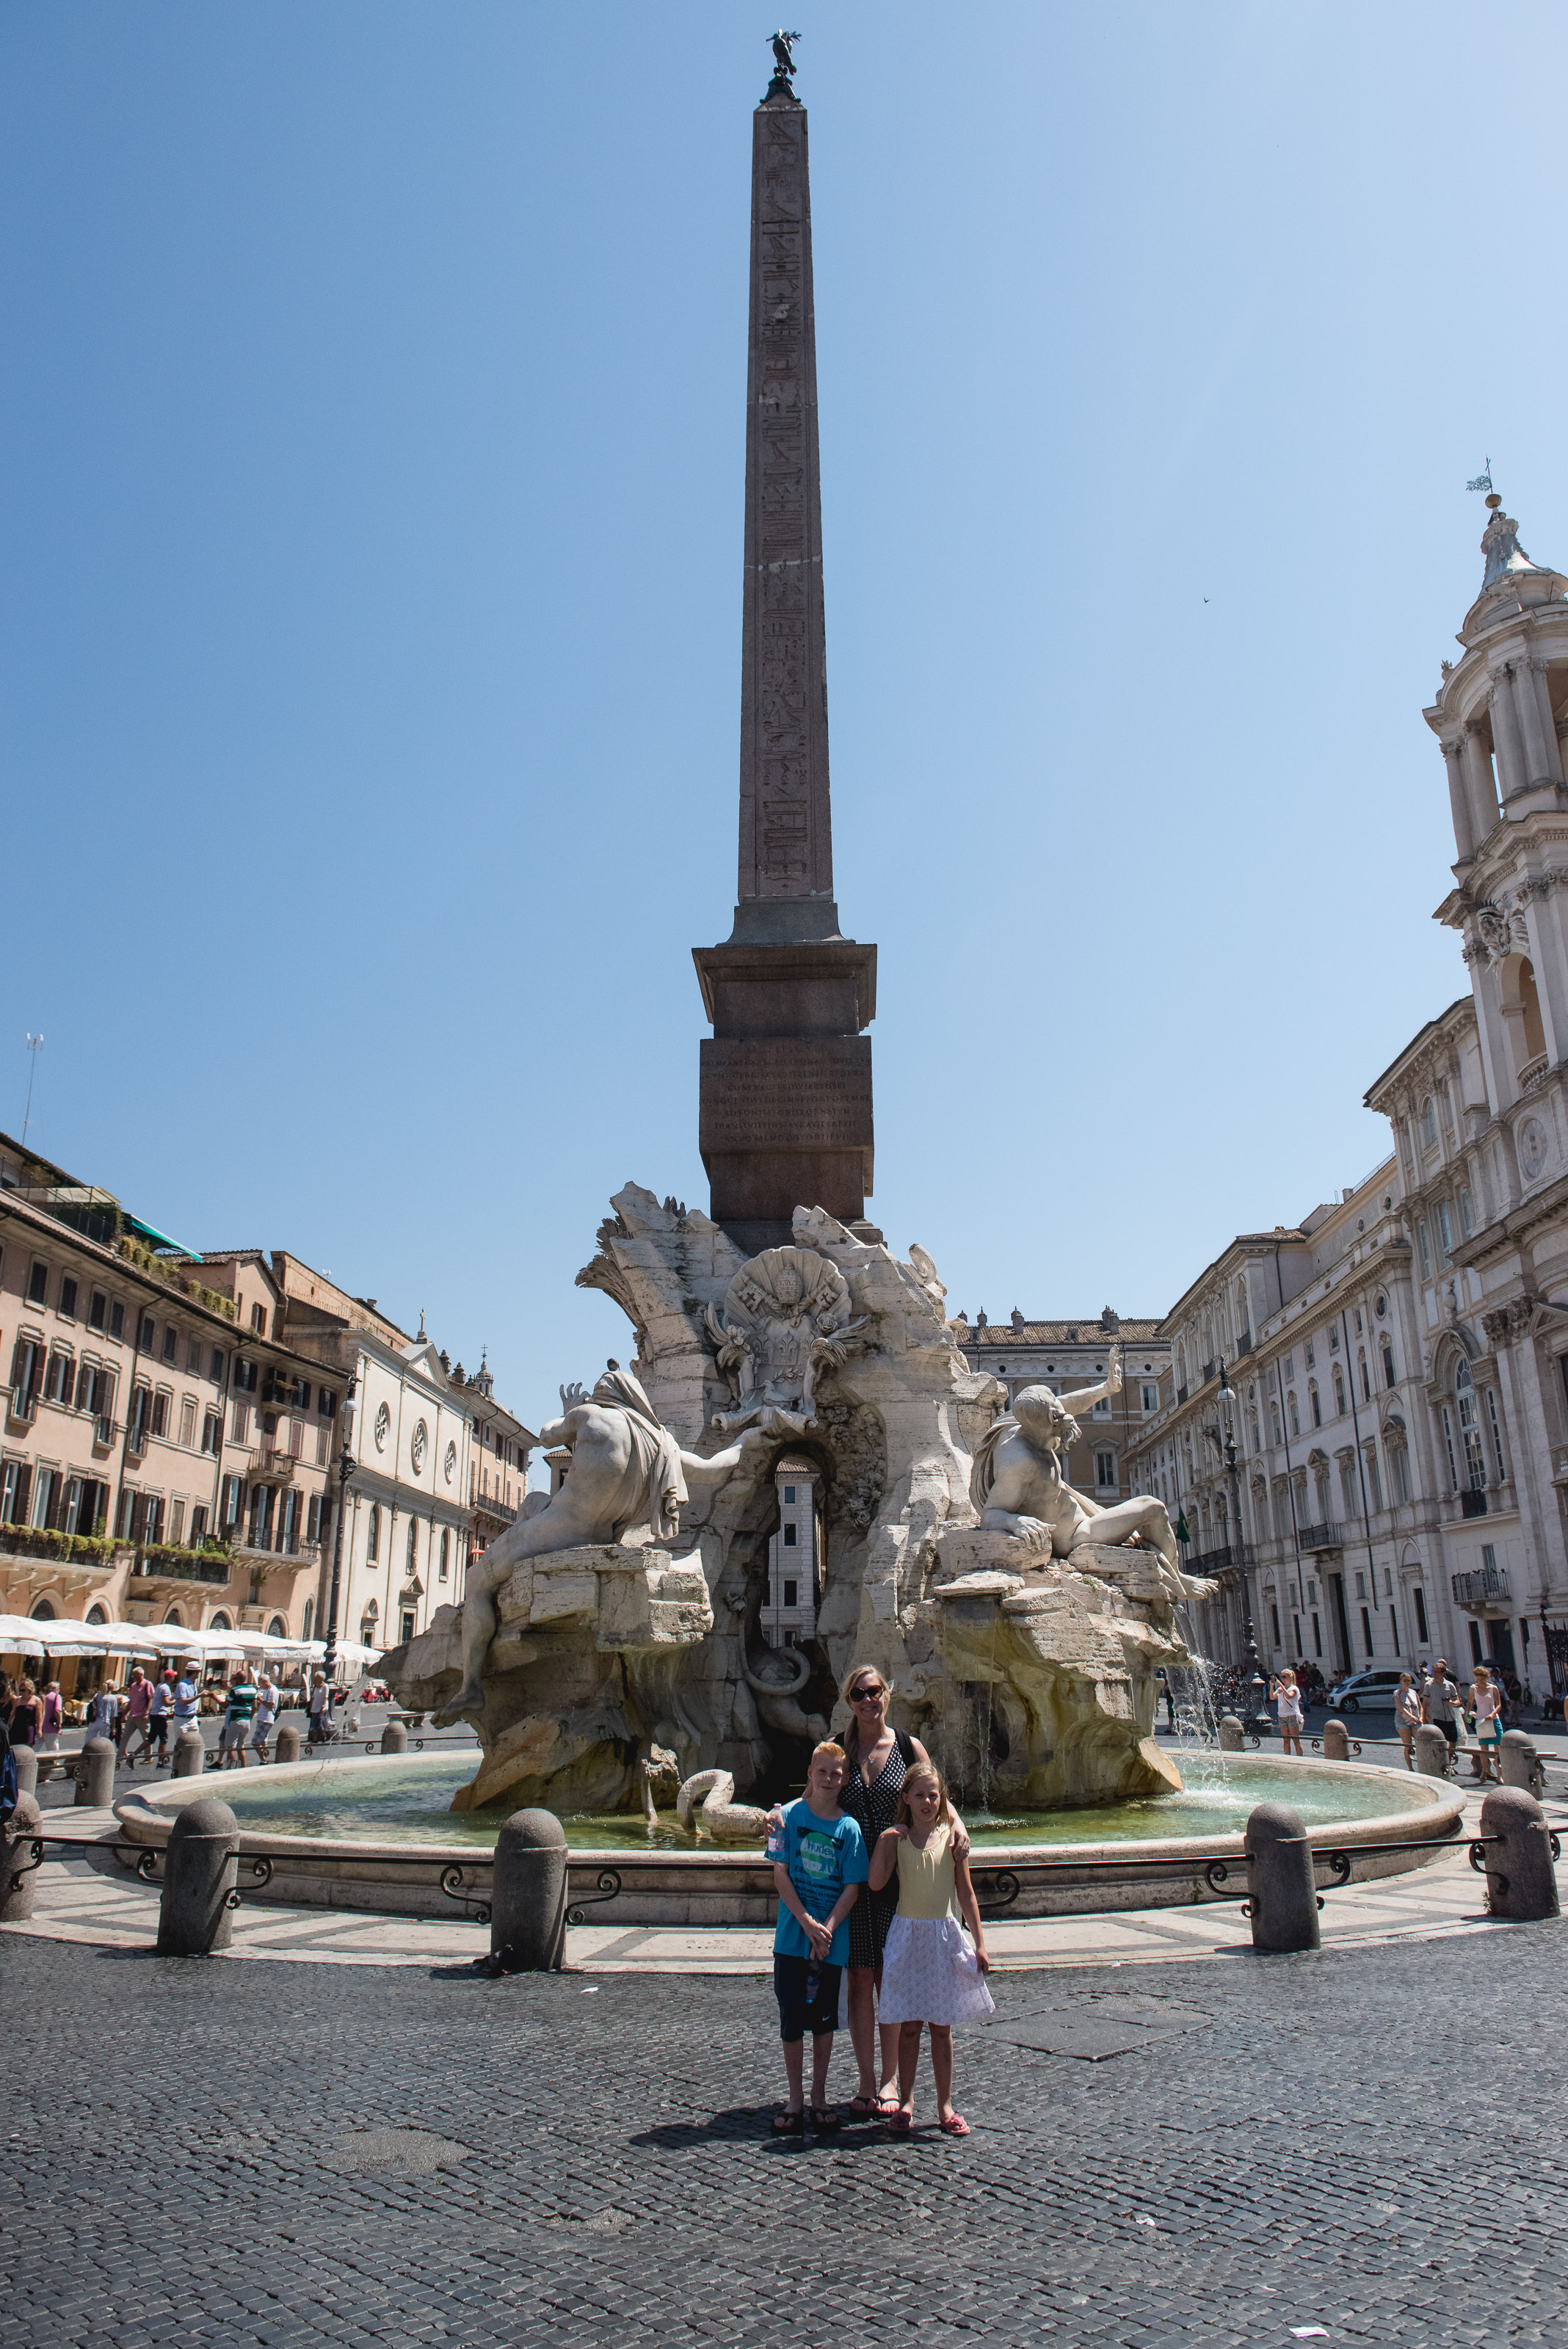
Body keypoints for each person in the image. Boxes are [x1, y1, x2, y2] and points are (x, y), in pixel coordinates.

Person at [869, 1763, 992, 2136]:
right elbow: (875, 1883)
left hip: (942, 1938)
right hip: (908, 1938)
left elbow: (966, 1893)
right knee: (909, 2026)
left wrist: (980, 1943)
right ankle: (906, 2102)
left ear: (942, 1799)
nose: (927, 1801)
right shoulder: (899, 1838)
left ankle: (945, 2105)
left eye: (933, 1795)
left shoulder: (952, 1839)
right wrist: (883, 1840)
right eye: (920, 1794)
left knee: (942, 2027)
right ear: (906, 1798)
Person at [769, 1740, 868, 2135]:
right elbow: (780, 1874)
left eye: (836, 1774)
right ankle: (795, 2099)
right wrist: (808, 1923)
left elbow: (853, 1887)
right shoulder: (786, 1818)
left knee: (825, 2021)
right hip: (793, 1938)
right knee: (792, 2018)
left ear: (844, 1780)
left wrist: (826, 1927)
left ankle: (819, 2096)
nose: (828, 1779)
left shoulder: (850, 1828)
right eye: (822, 1772)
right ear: (810, 1774)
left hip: (831, 1942)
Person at [1470, 1663, 1503, 1782]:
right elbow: (1470, 1703)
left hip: (1494, 1720)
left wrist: (1493, 1714)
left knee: (1498, 1748)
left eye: (1482, 1679)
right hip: (1481, 1720)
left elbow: (1499, 1704)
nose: (1480, 1681)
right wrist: (1470, 1712)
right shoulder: (1473, 1688)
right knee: (1484, 1749)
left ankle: (1500, 1775)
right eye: (1478, 1679)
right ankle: (1484, 1772)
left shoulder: (1493, 1689)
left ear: (1486, 1677)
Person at [219, 1666, 258, 1769]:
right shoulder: (253, 1690)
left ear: (239, 1679)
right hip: (247, 1720)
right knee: (241, 1746)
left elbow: (225, 1705)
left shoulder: (235, 1690)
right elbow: (254, 1707)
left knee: (231, 1746)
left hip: (236, 1720)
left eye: (235, 1679)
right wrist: (249, 1719)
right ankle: (243, 1768)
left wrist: (214, 1697)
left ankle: (230, 1769)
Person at [1423, 1659, 1460, 1761]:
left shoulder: (1450, 1685)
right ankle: (1441, 1761)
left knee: (1453, 1740)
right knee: (1440, 1740)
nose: (1434, 1674)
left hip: (1450, 1716)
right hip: (1436, 1716)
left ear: (1443, 1673)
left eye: (1437, 1672)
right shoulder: (1429, 1685)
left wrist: (1452, 1703)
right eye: (1433, 1672)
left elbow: (1457, 1700)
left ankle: (1449, 1760)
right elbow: (1425, 1702)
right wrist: (1424, 1717)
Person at [120, 1669, 153, 1767]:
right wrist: (124, 1714)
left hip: (142, 1716)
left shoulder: (147, 1684)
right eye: (133, 1675)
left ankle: (148, 1757)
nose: (133, 1677)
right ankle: (119, 1757)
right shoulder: (133, 1686)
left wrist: (147, 1713)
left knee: (146, 1737)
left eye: (135, 1675)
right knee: (125, 1736)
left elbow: (151, 1699)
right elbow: (131, 1701)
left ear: (141, 1675)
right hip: (132, 1715)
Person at [1270, 1669, 1304, 1758]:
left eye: (1284, 1677)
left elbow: (1289, 1696)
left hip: (1292, 1716)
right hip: (1282, 1716)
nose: (1282, 1679)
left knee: (1295, 1739)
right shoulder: (1280, 1689)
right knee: (1286, 1740)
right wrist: (1272, 1687)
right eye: (1281, 1677)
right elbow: (1272, 1697)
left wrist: (1282, 1686)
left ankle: (1300, 1759)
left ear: (1290, 1677)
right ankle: (1287, 1758)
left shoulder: (1294, 1689)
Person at [172, 1663, 203, 1759]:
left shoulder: (193, 1684)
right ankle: (178, 1765)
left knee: (195, 1744)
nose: (199, 1674)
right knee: (181, 1745)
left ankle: (192, 1764)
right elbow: (183, 1702)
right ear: (195, 1672)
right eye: (198, 1672)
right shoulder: (182, 1685)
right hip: (182, 1719)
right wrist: (199, 1696)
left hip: (192, 1718)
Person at [1393, 1673, 1421, 1770]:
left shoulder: (1414, 1693)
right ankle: (1410, 1768)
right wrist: (1411, 1716)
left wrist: (1421, 1717)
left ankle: (1422, 1765)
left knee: (1420, 1742)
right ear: (1401, 1681)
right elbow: (1401, 1708)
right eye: (1404, 1681)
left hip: (1415, 1721)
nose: (1407, 1683)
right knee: (1408, 1744)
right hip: (1402, 1721)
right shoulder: (1397, 1693)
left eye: (1408, 1680)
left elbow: (1420, 1706)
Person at [146, 1671, 173, 1766]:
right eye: (173, 1676)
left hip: (154, 1714)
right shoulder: (166, 1688)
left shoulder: (159, 1686)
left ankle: (133, 1755)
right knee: (164, 1739)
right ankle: (160, 1761)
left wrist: (173, 1698)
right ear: (170, 1677)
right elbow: (166, 1703)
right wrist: (177, 1701)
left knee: (151, 1739)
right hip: (160, 1715)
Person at [251, 1671, 278, 1765]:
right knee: (263, 1741)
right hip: (263, 1718)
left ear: (264, 1681)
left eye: (260, 1682)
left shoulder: (272, 1690)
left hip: (266, 1719)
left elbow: (271, 1705)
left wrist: (260, 1699)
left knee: (255, 1742)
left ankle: (264, 1759)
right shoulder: (267, 1690)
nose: (260, 1685)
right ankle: (264, 1759)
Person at [308, 1671, 334, 1744]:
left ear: (321, 1678)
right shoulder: (315, 1686)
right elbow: (313, 1697)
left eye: (317, 1677)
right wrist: (310, 1705)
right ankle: (315, 1739)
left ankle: (323, 1735)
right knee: (313, 1724)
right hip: (314, 1707)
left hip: (322, 1707)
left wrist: (323, 1706)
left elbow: (326, 1696)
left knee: (321, 1723)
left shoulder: (325, 1686)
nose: (316, 1679)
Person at [38, 1680, 63, 1751]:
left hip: (40, 1726)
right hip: (51, 1727)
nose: (59, 1689)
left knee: (35, 1748)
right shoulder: (57, 1697)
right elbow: (57, 1711)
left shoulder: (44, 1697)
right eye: (59, 1688)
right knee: (53, 1749)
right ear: (55, 1688)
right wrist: (59, 1724)